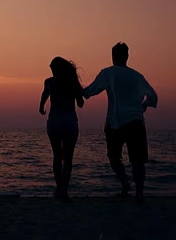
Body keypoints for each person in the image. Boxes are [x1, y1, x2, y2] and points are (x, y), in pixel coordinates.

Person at [84, 42, 158, 204]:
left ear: (113, 56)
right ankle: (139, 194)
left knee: (114, 157)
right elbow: (153, 96)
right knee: (138, 161)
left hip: (115, 123)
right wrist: (144, 104)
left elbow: (90, 91)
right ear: (127, 56)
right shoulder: (138, 76)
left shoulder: (108, 73)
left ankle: (125, 184)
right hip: (137, 122)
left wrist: (79, 90)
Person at [39, 56, 84, 201]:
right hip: (70, 123)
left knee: (57, 156)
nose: (52, 72)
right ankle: (63, 191)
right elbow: (81, 103)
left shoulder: (50, 82)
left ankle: (59, 189)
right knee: (68, 159)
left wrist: (41, 107)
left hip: (55, 123)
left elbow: (44, 94)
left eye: (52, 69)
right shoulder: (72, 82)